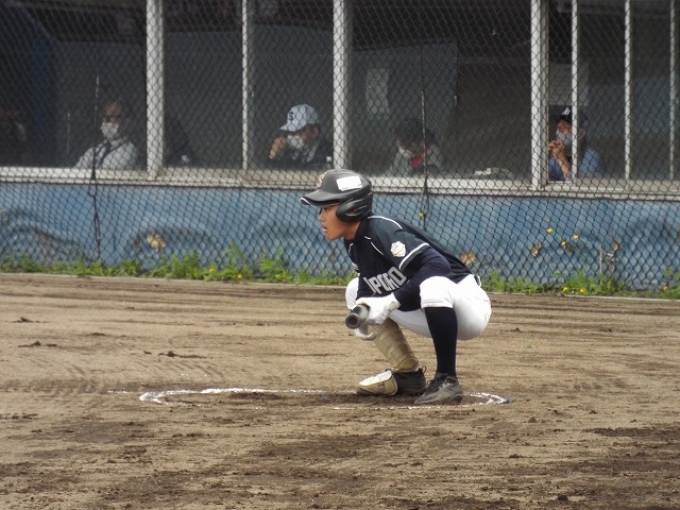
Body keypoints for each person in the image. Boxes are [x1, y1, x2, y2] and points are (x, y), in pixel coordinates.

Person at [301, 169, 492, 405]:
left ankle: (447, 380)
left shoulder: (381, 230)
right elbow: (367, 281)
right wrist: (362, 310)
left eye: (326, 208)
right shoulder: (352, 242)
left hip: (466, 305)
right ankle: (407, 375)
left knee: (433, 285)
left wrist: (391, 302)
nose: (321, 216)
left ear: (350, 208)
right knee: (353, 290)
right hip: (429, 312)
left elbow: (438, 265)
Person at [75, 99, 138, 170]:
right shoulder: (95, 149)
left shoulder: (129, 152)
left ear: (125, 123)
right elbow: (76, 170)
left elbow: (108, 171)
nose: (105, 121)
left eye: (111, 117)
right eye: (104, 116)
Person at [266, 104, 332, 170]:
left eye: (299, 131)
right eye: (292, 131)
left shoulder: (327, 151)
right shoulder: (292, 151)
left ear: (314, 132)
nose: (294, 135)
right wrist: (273, 156)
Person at [548, 106, 603, 182]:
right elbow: (543, 182)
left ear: (581, 134)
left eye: (565, 125)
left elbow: (582, 186)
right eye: (558, 126)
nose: (559, 130)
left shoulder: (591, 157)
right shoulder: (555, 156)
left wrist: (562, 160)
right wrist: (544, 159)